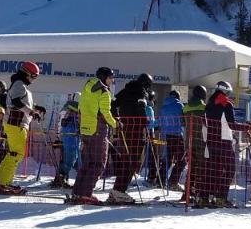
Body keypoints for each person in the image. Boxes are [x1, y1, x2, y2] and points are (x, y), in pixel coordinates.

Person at [0, 61, 44, 195]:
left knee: (12, 153)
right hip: (16, 123)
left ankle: (1, 180)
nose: (34, 79)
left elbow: (20, 101)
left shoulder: (20, 84)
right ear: (27, 73)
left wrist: (36, 108)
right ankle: (4, 183)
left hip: (15, 123)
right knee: (16, 154)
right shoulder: (19, 84)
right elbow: (16, 102)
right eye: (34, 76)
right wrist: (31, 112)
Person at [68, 67, 118, 205]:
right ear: (103, 77)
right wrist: (116, 124)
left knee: (87, 163)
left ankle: (78, 192)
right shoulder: (103, 92)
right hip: (97, 130)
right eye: (110, 78)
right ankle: (86, 194)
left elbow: (80, 108)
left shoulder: (87, 88)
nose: (112, 80)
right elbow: (105, 113)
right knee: (98, 164)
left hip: (85, 129)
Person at [109, 72, 154, 204]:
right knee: (132, 161)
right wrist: (145, 124)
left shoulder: (125, 90)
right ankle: (120, 191)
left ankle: (118, 189)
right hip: (137, 130)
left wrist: (117, 118)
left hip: (124, 129)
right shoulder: (141, 93)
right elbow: (141, 109)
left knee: (125, 159)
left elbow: (112, 104)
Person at [199, 80, 241, 207]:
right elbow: (232, 124)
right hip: (224, 141)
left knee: (212, 171)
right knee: (230, 169)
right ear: (225, 91)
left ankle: (203, 198)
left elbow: (204, 125)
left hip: (211, 142)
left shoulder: (208, 105)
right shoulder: (226, 104)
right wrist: (247, 128)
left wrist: (206, 141)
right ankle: (221, 197)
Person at [182, 85, 207, 202]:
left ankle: (187, 193)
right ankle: (199, 192)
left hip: (189, 141)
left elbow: (183, 123)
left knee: (190, 168)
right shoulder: (204, 107)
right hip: (201, 140)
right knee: (201, 168)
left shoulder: (186, 107)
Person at [50, 92, 80, 189]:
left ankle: (61, 179)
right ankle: (60, 179)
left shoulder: (66, 109)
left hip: (70, 137)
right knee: (69, 159)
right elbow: (61, 122)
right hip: (70, 137)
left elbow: (59, 123)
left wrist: (58, 136)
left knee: (69, 159)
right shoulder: (72, 110)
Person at [158, 89, 187, 191]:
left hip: (167, 136)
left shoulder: (163, 107)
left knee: (168, 159)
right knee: (181, 160)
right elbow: (184, 120)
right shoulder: (180, 106)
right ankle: (173, 181)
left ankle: (160, 181)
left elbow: (160, 123)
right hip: (177, 135)